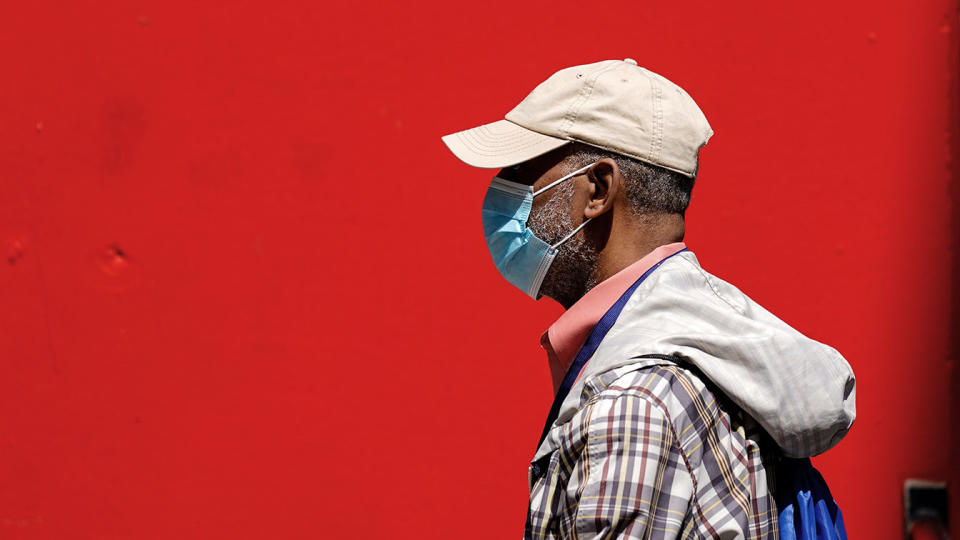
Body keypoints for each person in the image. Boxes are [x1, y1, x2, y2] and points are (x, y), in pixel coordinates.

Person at [440, 59, 856, 539]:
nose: (500, 192)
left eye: (519, 172)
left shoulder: (631, 407)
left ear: (597, 189)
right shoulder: (707, 347)